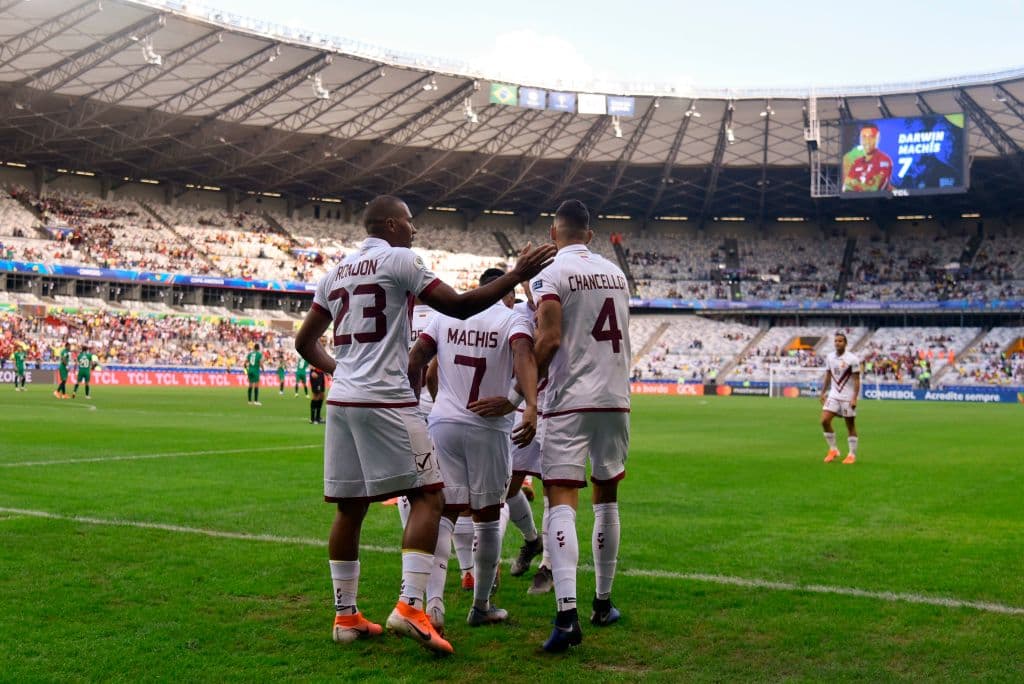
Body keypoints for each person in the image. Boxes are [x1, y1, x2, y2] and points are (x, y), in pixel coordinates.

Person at [293, 194, 555, 654]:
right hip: (386, 397)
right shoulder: (401, 260)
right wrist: (516, 276)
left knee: (349, 507)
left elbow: (304, 342)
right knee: (430, 496)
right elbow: (457, 306)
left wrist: (343, 371)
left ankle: (345, 614)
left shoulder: (334, 271)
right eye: (410, 222)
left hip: (344, 400)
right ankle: (410, 606)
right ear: (392, 224)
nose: (415, 230)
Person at [408, 268, 539, 633]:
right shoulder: (511, 318)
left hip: (444, 422)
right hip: (489, 426)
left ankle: (432, 603)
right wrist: (528, 404)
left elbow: (420, 361)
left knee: (442, 514)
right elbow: (525, 355)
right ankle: (481, 606)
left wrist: (426, 404)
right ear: (507, 293)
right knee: (487, 516)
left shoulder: (443, 314)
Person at [530, 199, 631, 653]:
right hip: (614, 398)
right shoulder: (616, 273)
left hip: (569, 399)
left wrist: (521, 391)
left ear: (554, 234)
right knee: (606, 495)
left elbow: (549, 338)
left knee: (561, 499)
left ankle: (567, 616)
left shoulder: (549, 274)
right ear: (589, 235)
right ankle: (603, 602)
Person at [819, 332, 861, 465]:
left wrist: (855, 398)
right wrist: (823, 392)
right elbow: (828, 375)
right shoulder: (830, 357)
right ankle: (833, 450)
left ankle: (851, 454)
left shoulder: (852, 359)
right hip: (834, 395)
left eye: (840, 341)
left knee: (850, 425)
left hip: (848, 397)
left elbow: (856, 380)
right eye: (836, 341)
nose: (837, 343)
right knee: (824, 421)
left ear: (846, 343)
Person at [842, 123, 893, 193]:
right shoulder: (857, 162)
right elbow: (847, 187)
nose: (867, 141)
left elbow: (874, 188)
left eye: (871, 137)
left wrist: (854, 183)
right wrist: (864, 184)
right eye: (864, 137)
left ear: (877, 139)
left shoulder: (884, 160)